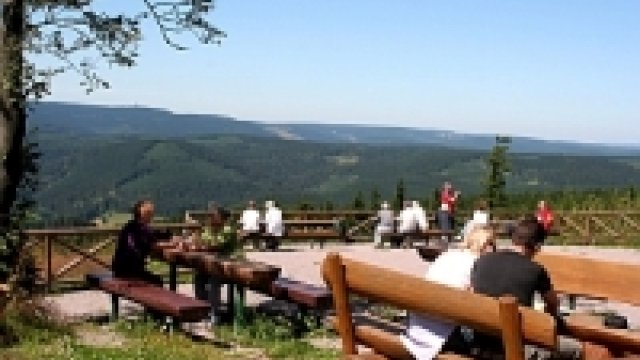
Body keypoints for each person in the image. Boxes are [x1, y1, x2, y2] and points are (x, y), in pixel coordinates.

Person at [470, 217, 610, 359]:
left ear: (513, 239)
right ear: (537, 246)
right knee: (585, 350)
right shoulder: (535, 270)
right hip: (517, 349)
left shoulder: (481, 261)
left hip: (481, 346)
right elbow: (553, 305)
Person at [401, 226, 496, 359]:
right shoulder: (477, 264)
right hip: (441, 335)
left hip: (417, 329)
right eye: (493, 245)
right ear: (486, 245)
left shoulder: (448, 255)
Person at [111, 200, 165, 285]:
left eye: (151, 213)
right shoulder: (138, 229)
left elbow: (157, 237)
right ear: (142, 214)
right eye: (149, 213)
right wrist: (174, 245)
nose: (151, 216)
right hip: (128, 271)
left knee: (157, 280)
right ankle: (150, 298)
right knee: (158, 282)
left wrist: (173, 241)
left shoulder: (132, 226)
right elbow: (153, 245)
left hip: (121, 269)